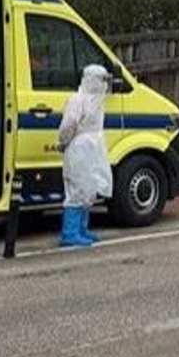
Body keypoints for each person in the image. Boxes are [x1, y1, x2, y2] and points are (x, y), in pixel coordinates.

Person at [56, 64, 115, 248]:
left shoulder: (97, 101)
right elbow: (68, 126)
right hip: (80, 148)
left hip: (91, 149)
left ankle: (81, 230)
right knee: (76, 188)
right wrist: (63, 142)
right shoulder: (77, 99)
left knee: (88, 189)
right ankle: (70, 232)